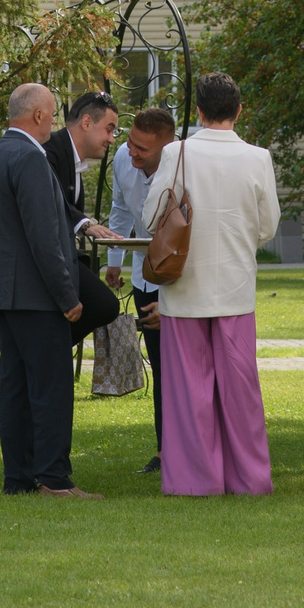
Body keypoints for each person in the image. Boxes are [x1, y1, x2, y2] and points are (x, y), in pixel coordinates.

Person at [141, 72, 280, 496]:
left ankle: (196, 480)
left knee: (190, 391)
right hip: (235, 285)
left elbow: (151, 218)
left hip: (185, 285)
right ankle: (250, 478)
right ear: (239, 110)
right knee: (241, 391)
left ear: (198, 111)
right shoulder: (259, 157)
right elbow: (269, 226)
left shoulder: (176, 153)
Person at [0, 83, 95, 499]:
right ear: (39, 116)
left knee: (16, 386)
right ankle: (55, 480)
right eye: (54, 114)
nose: (55, 122)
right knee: (51, 387)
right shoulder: (30, 158)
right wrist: (67, 296)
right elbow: (45, 239)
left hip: (1, 293)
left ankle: (18, 478)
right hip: (35, 296)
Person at [104, 104, 177, 475]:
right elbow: (119, 208)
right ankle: (165, 452)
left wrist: (171, 300)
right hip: (144, 279)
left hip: (181, 283)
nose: (131, 151)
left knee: (185, 368)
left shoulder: (183, 168)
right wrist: (114, 259)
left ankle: (191, 449)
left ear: (167, 147)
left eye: (141, 149)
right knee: (162, 368)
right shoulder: (122, 158)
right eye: (130, 142)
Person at [42, 90, 124, 346]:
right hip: (39, 261)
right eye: (109, 129)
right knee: (103, 304)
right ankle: (51, 351)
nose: (111, 139)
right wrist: (86, 224)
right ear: (86, 122)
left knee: (103, 305)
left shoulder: (70, 157)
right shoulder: (48, 151)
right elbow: (47, 200)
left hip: (56, 257)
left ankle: (51, 352)